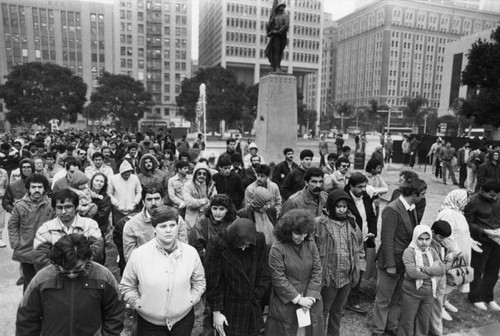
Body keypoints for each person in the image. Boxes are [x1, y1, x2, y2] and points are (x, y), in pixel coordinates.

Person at [120, 206, 206, 336]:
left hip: (182, 322)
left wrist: (190, 300)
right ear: (154, 228)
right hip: (148, 324)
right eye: (163, 226)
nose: (168, 230)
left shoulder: (191, 253)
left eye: (172, 225)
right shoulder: (139, 255)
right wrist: (140, 304)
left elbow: (199, 282)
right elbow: (126, 286)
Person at [16, 234, 124, 336]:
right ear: (56, 262)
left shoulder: (103, 277)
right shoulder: (42, 279)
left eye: (78, 269)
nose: (72, 274)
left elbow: (114, 315)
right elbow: (27, 319)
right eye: (65, 270)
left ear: (88, 258)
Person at [372, 178, 427, 336]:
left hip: (404, 262)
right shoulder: (392, 209)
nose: (423, 197)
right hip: (391, 262)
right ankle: (378, 330)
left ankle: (391, 326)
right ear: (414, 194)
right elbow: (387, 239)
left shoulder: (411, 207)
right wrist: (390, 264)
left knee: (397, 297)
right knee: (383, 299)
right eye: (422, 194)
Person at [205, 218, 270, 336]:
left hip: (251, 304)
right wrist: (216, 312)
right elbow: (213, 281)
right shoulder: (217, 243)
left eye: (248, 245)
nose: (244, 248)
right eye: (241, 245)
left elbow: (263, 271)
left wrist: (256, 295)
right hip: (228, 306)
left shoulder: (259, 239)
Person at [265, 209, 324, 335]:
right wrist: (297, 299)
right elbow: (278, 278)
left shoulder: (310, 243)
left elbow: (317, 269)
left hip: (309, 299)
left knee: (309, 331)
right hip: (286, 302)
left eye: (305, 234)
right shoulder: (277, 248)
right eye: (298, 234)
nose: (302, 238)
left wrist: (311, 297)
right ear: (288, 231)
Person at [315, 190, 363, 336]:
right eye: (338, 206)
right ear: (331, 206)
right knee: (323, 310)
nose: (342, 209)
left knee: (338, 310)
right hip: (329, 275)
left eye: (344, 206)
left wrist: (360, 266)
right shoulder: (320, 223)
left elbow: (359, 246)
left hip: (347, 274)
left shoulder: (352, 222)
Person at [33, 189, 104, 271]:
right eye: (59, 207)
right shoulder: (45, 229)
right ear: (54, 209)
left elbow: (97, 251)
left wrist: (79, 268)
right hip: (56, 277)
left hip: (85, 274)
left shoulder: (90, 225)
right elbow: (40, 258)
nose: (63, 212)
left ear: (76, 207)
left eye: (68, 207)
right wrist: (62, 271)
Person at [7, 174, 53, 291]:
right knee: (29, 284)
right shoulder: (20, 205)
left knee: (45, 282)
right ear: (28, 188)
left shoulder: (51, 205)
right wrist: (15, 243)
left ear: (44, 188)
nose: (36, 190)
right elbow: (12, 225)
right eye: (33, 187)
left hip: (45, 252)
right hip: (26, 251)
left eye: (40, 187)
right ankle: (28, 307)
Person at [398, 225, 445, 336]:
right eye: (421, 239)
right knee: (407, 321)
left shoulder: (432, 251)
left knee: (423, 322)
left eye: (427, 239)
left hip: (429, 294)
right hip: (411, 293)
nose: (424, 242)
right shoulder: (409, 252)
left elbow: (442, 270)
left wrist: (423, 269)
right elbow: (413, 273)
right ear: (415, 238)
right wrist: (433, 271)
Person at [344, 173, 378, 314]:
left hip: (363, 239)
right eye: (359, 187)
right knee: (348, 270)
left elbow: (371, 217)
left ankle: (353, 296)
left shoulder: (366, 197)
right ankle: (347, 299)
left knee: (361, 268)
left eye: (365, 186)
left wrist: (372, 232)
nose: (363, 189)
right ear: (351, 186)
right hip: (348, 242)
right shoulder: (344, 199)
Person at [122, 188, 188, 262]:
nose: (153, 203)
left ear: (162, 200)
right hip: (145, 266)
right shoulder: (132, 224)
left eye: (157, 199)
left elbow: (184, 248)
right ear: (143, 202)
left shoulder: (177, 220)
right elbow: (130, 257)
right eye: (149, 199)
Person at [464, 179, 500, 311]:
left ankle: (488, 297)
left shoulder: (497, 200)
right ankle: (474, 297)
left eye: (497, 195)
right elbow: (467, 223)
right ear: (483, 191)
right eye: (491, 195)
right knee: (477, 269)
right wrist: (484, 231)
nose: (494, 198)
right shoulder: (473, 201)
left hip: (497, 242)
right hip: (480, 241)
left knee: (493, 271)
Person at [183, 161, 217, 231]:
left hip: (207, 218)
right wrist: (204, 201)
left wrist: (201, 204)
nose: (202, 175)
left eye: (204, 174)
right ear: (195, 174)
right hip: (192, 219)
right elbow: (188, 202)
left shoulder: (210, 185)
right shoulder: (188, 185)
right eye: (199, 173)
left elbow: (214, 200)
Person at [265, 1, 289, 72]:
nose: (283, 8)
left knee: (280, 52)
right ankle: (276, 67)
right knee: (276, 51)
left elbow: (286, 26)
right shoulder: (274, 17)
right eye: (281, 6)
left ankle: (278, 65)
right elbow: (269, 26)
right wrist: (269, 29)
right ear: (277, 7)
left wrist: (278, 31)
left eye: (283, 6)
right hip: (275, 37)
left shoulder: (285, 16)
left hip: (282, 36)